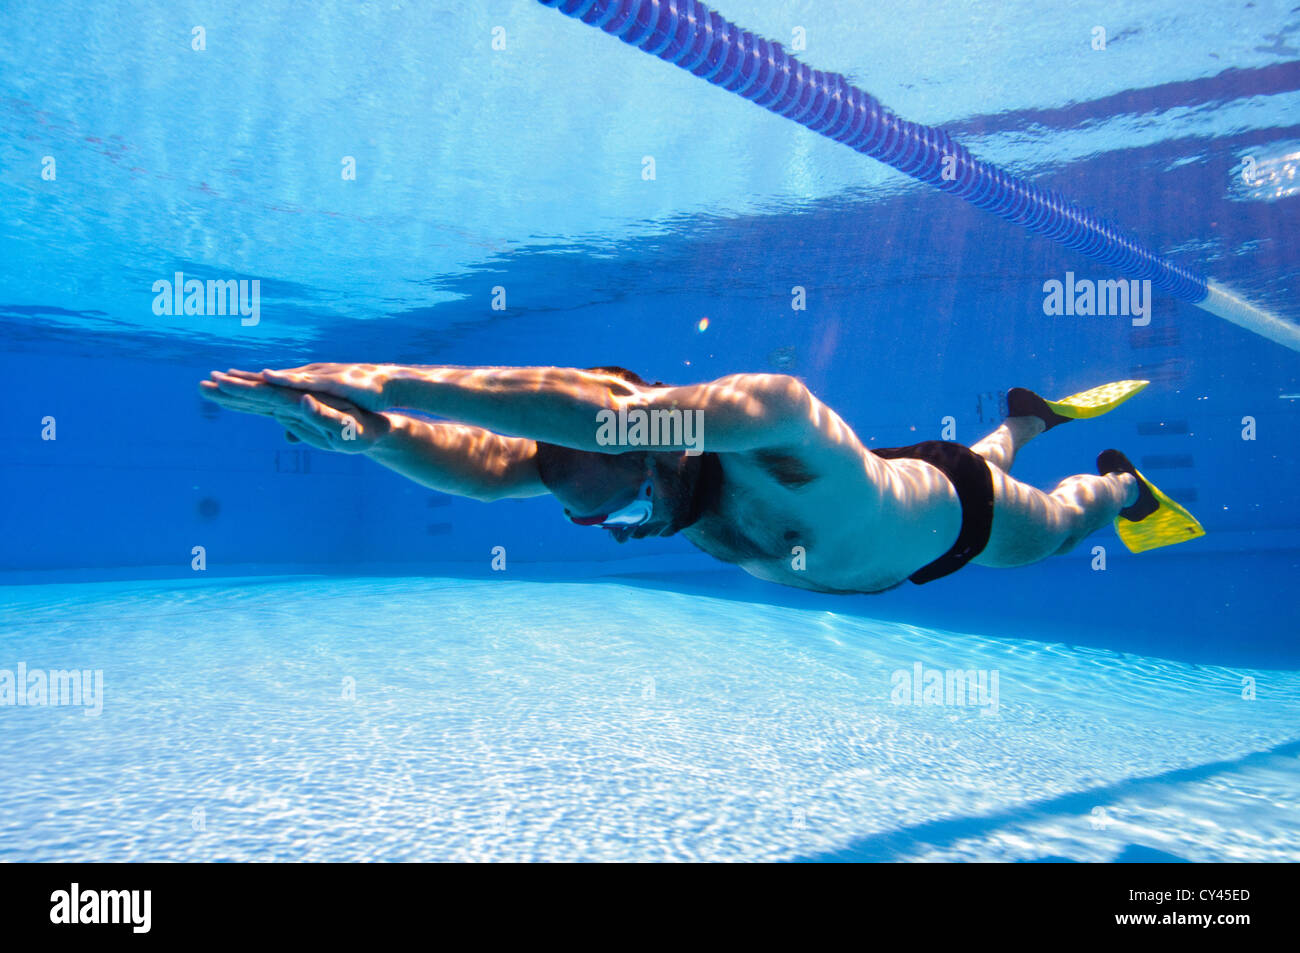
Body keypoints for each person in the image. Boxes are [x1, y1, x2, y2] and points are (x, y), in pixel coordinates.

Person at [199, 364, 1202, 593]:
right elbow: (484, 461)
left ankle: (1123, 481)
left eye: (634, 503)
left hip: (959, 523)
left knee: (1064, 524)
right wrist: (371, 436)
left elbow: (614, 418)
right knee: (980, 446)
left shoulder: (776, 425)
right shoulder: (641, 472)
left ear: (673, 445)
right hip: (891, 483)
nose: (634, 527)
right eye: (611, 522)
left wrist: (387, 378)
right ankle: (1025, 416)